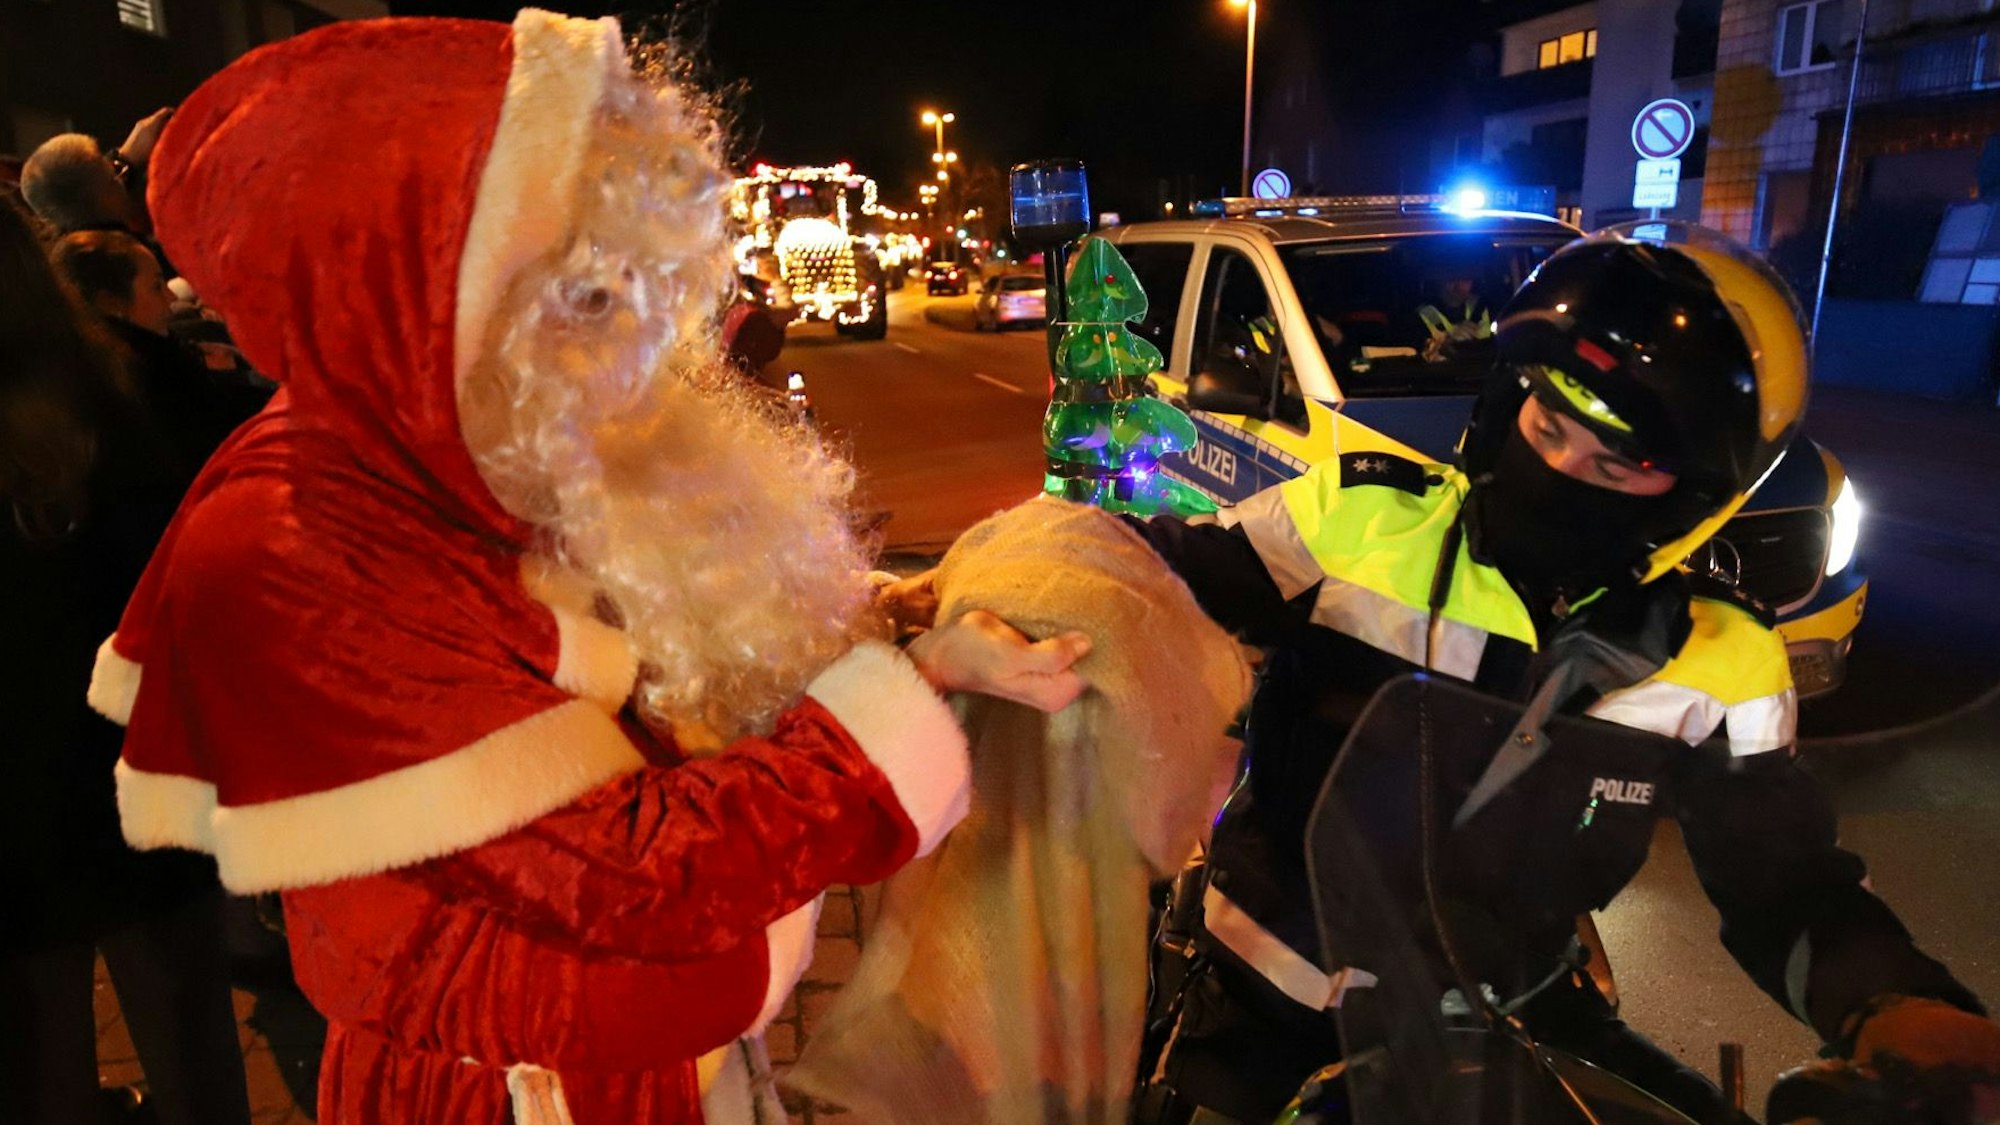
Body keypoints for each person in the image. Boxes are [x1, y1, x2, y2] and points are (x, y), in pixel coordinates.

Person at [88, 12, 1086, 1125]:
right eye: (588, 278)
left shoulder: (471, 424)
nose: (647, 325)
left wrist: (868, 626)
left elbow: (665, 629)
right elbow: (628, 876)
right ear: (415, 279)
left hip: (647, 1074)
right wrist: (908, 701)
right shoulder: (295, 539)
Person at [1127, 224, 2000, 1124]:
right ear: (1511, 400)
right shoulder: (1357, 520)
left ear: (1701, 495)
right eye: (1549, 425)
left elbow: (1787, 884)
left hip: (1509, 1032)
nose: (1560, 470)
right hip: (1258, 1016)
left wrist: (1899, 1007)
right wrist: (1036, 584)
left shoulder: (1723, 658)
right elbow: (1140, 591)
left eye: (1617, 462)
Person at [0, 196, 251, 1125]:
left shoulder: (121, 388)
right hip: (129, 771)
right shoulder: (119, 393)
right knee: (191, 1043)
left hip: (21, 819)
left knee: (40, 1066)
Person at [50, 228, 267, 469]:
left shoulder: (139, 352)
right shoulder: (150, 377)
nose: (171, 296)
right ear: (110, 303)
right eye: (156, 287)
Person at [18, 109, 172, 241]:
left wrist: (124, 158)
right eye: (112, 177)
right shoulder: (148, 259)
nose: (119, 174)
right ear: (108, 196)